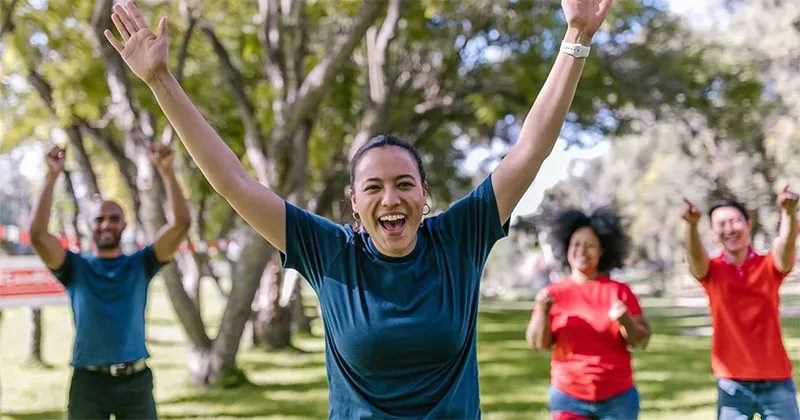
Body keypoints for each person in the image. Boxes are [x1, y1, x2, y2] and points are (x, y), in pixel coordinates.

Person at [104, 0, 614, 417]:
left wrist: (576, 37)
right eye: (373, 188)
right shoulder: (329, 251)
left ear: (424, 194)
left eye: (404, 184)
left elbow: (530, 148)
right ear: (354, 202)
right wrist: (160, 81)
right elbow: (232, 182)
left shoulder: (460, 238)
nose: (390, 199)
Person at [28, 143, 191, 419]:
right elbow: (38, 235)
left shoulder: (141, 264)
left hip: (135, 382)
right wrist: (51, 176)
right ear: (90, 225)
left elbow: (181, 225)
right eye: (99, 219)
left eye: (114, 219)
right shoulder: (75, 268)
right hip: (88, 383)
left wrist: (167, 171)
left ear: (124, 225)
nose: (106, 224)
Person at [681, 190, 800, 420]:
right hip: (732, 383)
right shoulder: (712, 271)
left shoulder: (768, 265)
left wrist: (788, 213)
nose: (729, 229)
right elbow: (695, 258)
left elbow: (786, 246)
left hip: (776, 378)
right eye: (721, 224)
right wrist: (691, 226)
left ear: (748, 224)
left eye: (734, 221)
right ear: (714, 233)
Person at [525, 209, 651, 420]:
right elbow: (538, 345)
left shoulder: (619, 292)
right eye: (576, 244)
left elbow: (642, 341)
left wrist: (626, 321)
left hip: (618, 398)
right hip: (568, 397)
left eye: (590, 245)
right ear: (566, 248)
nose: (581, 250)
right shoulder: (551, 294)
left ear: (602, 251)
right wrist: (542, 312)